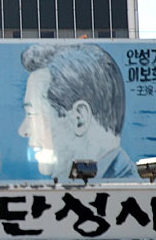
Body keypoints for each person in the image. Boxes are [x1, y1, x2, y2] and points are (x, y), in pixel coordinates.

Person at [18, 43, 138, 181]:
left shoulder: (123, 192)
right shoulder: (115, 183)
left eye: (32, 114)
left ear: (79, 118)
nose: (23, 131)